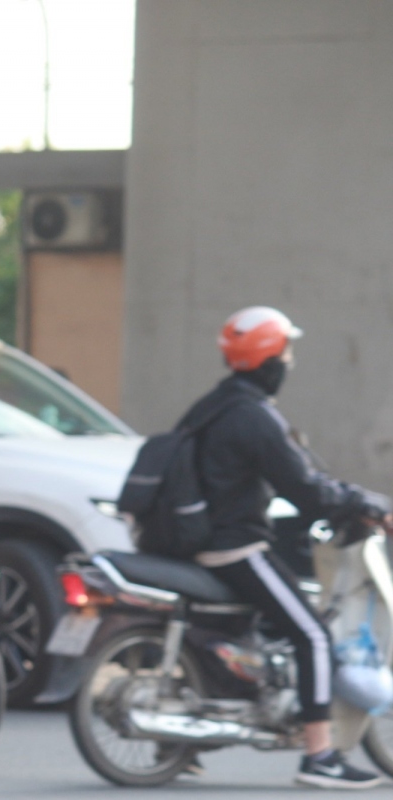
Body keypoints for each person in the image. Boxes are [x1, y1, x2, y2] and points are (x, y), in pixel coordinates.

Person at [182, 306, 392, 789]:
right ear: (270, 358)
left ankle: (184, 744)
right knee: (313, 636)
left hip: (198, 541)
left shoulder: (212, 405)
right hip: (233, 547)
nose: (290, 362)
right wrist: (368, 503)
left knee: (242, 628)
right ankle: (319, 757)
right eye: (286, 352)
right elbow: (304, 488)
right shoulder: (254, 416)